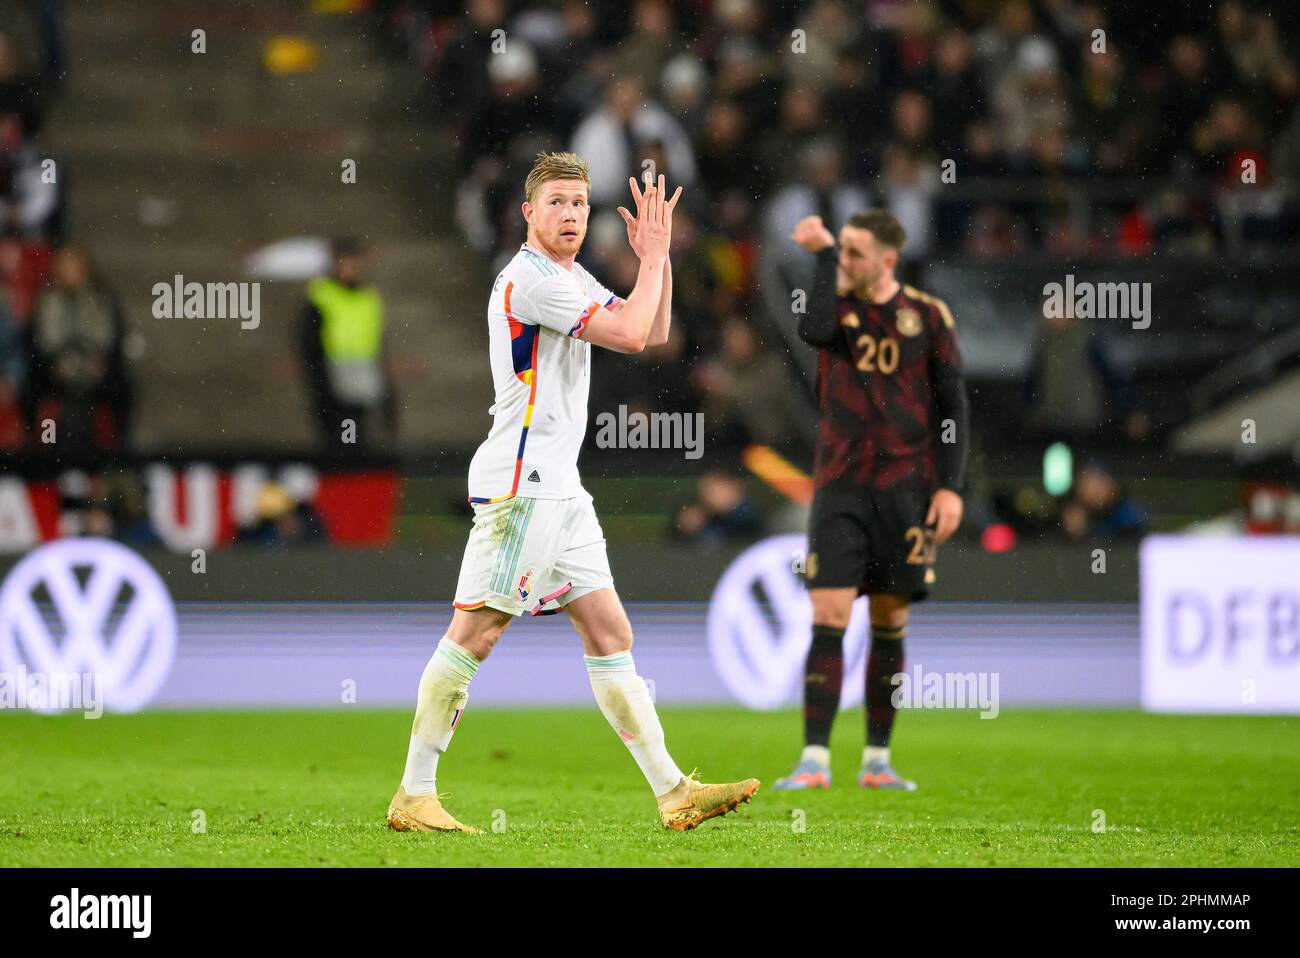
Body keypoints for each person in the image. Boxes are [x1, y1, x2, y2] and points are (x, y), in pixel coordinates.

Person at [387, 152, 758, 834]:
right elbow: (627, 330)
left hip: (561, 489)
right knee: (477, 632)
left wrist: (660, 256)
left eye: (581, 204)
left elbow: (656, 331)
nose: (571, 215)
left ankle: (674, 791)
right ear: (528, 213)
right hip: (522, 486)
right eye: (556, 202)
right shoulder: (530, 281)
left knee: (610, 630)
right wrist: (652, 263)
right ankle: (414, 793)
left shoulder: (567, 275)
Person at [775, 210, 969, 793]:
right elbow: (809, 330)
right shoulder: (836, 310)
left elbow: (954, 408)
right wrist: (821, 256)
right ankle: (814, 760)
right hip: (840, 486)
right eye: (843, 252)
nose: (845, 262)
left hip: (907, 490)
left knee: (890, 617)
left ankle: (877, 761)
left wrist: (951, 488)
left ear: (888, 258)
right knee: (829, 613)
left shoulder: (929, 317)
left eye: (855, 253)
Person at [298, 237, 395, 456]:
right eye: (349, 262)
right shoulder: (321, 294)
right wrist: (321, 382)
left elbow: (377, 341)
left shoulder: (369, 297)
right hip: (335, 379)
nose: (355, 268)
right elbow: (309, 342)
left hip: (364, 378)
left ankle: (351, 469)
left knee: (358, 438)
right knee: (343, 439)